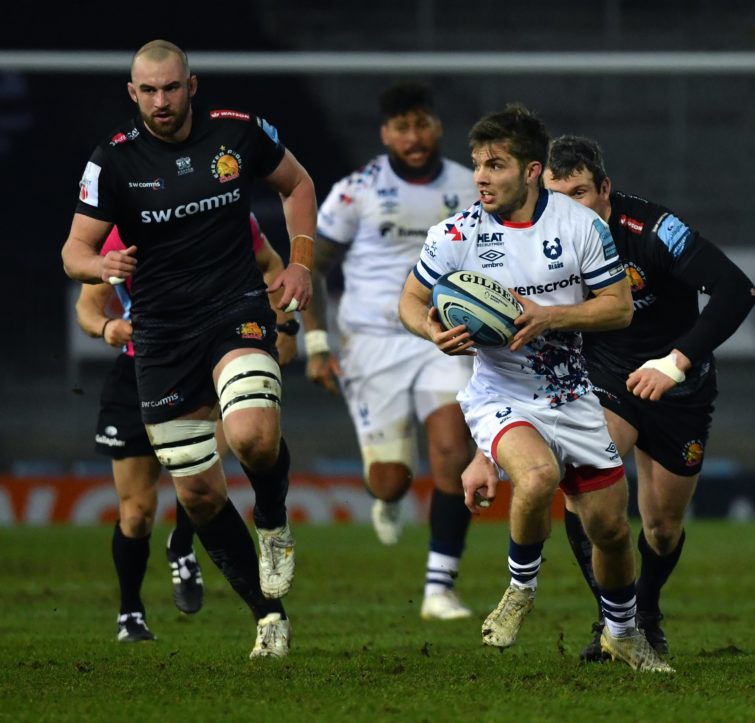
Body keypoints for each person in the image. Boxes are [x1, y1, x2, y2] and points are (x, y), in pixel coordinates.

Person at [61, 40, 318, 657]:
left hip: (235, 310)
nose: (160, 101)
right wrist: (101, 263)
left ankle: (274, 520)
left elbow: (298, 183)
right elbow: (73, 254)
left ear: (191, 86)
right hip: (162, 336)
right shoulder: (112, 163)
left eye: (171, 88)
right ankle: (268, 616)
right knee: (199, 496)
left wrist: (301, 261)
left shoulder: (238, 135)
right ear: (132, 94)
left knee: (254, 435)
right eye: (147, 91)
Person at [399, 103, 673, 673]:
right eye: (476, 164)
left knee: (612, 530)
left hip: (573, 394)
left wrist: (550, 317)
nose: (479, 177)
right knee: (539, 476)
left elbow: (619, 308)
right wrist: (430, 330)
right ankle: (520, 587)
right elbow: (410, 300)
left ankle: (623, 633)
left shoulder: (580, 227)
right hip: (499, 393)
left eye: (494, 165)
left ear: (529, 171)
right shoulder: (456, 233)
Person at [541, 135, 755, 659]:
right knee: (584, 485)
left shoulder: (653, 229)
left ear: (605, 189)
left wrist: (675, 363)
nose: (568, 208)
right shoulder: (539, 235)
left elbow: (738, 291)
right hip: (604, 375)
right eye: (556, 196)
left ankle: (648, 609)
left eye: (580, 194)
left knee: (661, 528)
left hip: (679, 383)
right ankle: (613, 621)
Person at [303, 82, 478, 620]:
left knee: (452, 450)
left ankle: (438, 588)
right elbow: (313, 265)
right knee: (391, 478)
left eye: (422, 123)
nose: (414, 136)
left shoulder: (470, 187)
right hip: (371, 342)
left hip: (439, 336)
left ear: (438, 127)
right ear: (385, 134)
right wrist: (315, 343)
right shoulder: (355, 192)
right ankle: (387, 497)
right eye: (402, 127)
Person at [77, 215, 297, 642]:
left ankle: (186, 544)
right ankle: (131, 612)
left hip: (209, 358)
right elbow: (87, 305)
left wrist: (284, 324)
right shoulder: (120, 235)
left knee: (216, 460)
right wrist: (107, 327)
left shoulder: (223, 208)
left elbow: (271, 265)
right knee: (137, 513)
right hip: (141, 367)